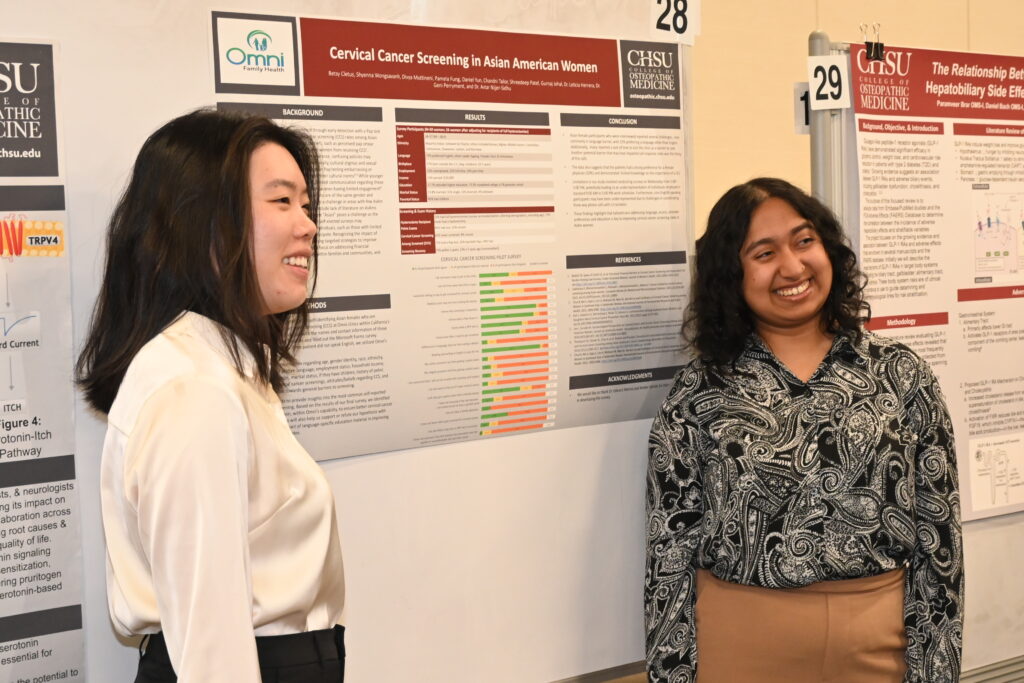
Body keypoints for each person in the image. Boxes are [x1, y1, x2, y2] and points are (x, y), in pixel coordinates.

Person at [645, 178, 963, 683]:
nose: (792, 267)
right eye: (764, 252)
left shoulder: (902, 375)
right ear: (732, 274)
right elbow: (669, 550)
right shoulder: (698, 392)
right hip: (739, 650)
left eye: (804, 241)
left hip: (880, 650)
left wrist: (935, 670)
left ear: (828, 248)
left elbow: (938, 540)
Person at [77, 109, 345, 682]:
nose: (308, 225)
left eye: (305, 203)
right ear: (205, 224)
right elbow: (211, 651)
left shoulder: (225, 368)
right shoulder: (194, 390)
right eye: (281, 201)